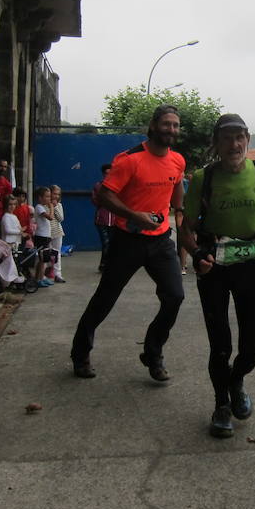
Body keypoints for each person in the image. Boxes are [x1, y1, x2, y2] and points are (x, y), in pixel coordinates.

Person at [181, 114, 255, 438]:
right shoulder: (204, 177)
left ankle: (237, 380)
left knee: (252, 343)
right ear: (216, 143)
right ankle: (222, 405)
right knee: (220, 343)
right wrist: (197, 253)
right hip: (213, 264)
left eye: (239, 137)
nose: (234, 144)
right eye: (226, 138)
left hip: (250, 263)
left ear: (248, 139)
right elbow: (185, 227)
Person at [70, 104, 186, 381]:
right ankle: (80, 352)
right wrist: (135, 215)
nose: (171, 129)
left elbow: (177, 184)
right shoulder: (129, 159)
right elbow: (105, 196)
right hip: (127, 241)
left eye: (175, 125)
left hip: (160, 241)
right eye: (167, 124)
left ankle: (153, 352)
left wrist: (180, 212)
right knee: (105, 299)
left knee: (175, 296)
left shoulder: (177, 160)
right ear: (154, 125)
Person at [92, 164, 115, 272]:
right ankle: (104, 265)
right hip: (102, 220)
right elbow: (95, 201)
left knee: (113, 244)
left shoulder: (117, 186)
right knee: (106, 243)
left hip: (115, 221)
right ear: (103, 174)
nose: (108, 175)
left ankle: (108, 265)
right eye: (106, 173)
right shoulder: (98, 186)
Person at [33, 186, 54, 288]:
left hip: (45, 236)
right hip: (41, 237)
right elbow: (50, 217)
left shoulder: (42, 207)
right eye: (46, 197)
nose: (49, 199)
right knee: (42, 260)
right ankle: (39, 279)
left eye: (49, 197)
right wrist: (52, 208)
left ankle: (40, 278)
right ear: (40, 198)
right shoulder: (39, 207)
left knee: (43, 260)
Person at [176, 170, 193, 275]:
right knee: (183, 241)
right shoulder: (182, 184)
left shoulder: (196, 186)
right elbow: (179, 208)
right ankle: (183, 265)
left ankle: (194, 263)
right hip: (182, 215)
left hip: (193, 216)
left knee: (194, 239)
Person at [49, 185, 66, 283]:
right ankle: (47, 273)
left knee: (57, 253)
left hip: (57, 232)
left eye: (58, 194)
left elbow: (61, 218)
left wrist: (55, 207)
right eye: (54, 193)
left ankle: (57, 274)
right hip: (47, 232)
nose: (56, 196)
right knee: (46, 254)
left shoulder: (59, 205)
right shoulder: (45, 204)